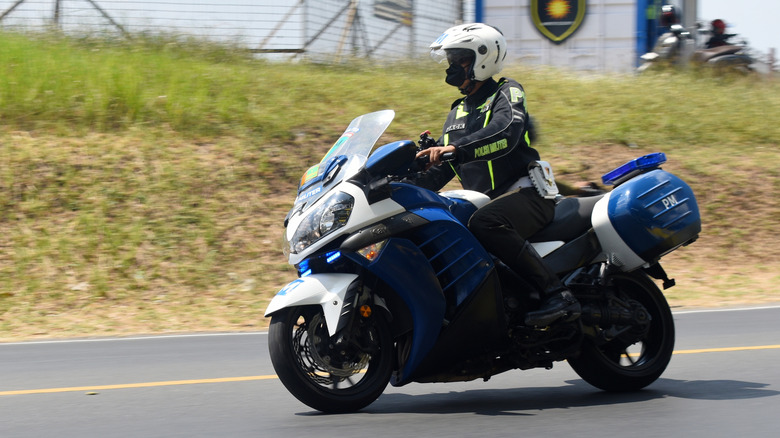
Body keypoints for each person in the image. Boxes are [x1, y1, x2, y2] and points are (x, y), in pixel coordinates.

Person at [410, 23, 580, 326]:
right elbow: (443, 170)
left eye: (459, 59)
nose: (452, 67)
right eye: (450, 60)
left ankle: (557, 294)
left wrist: (455, 149)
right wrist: (401, 183)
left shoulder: (507, 91)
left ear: (482, 58)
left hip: (527, 193)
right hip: (484, 202)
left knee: (486, 224)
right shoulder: (457, 112)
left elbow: (506, 131)